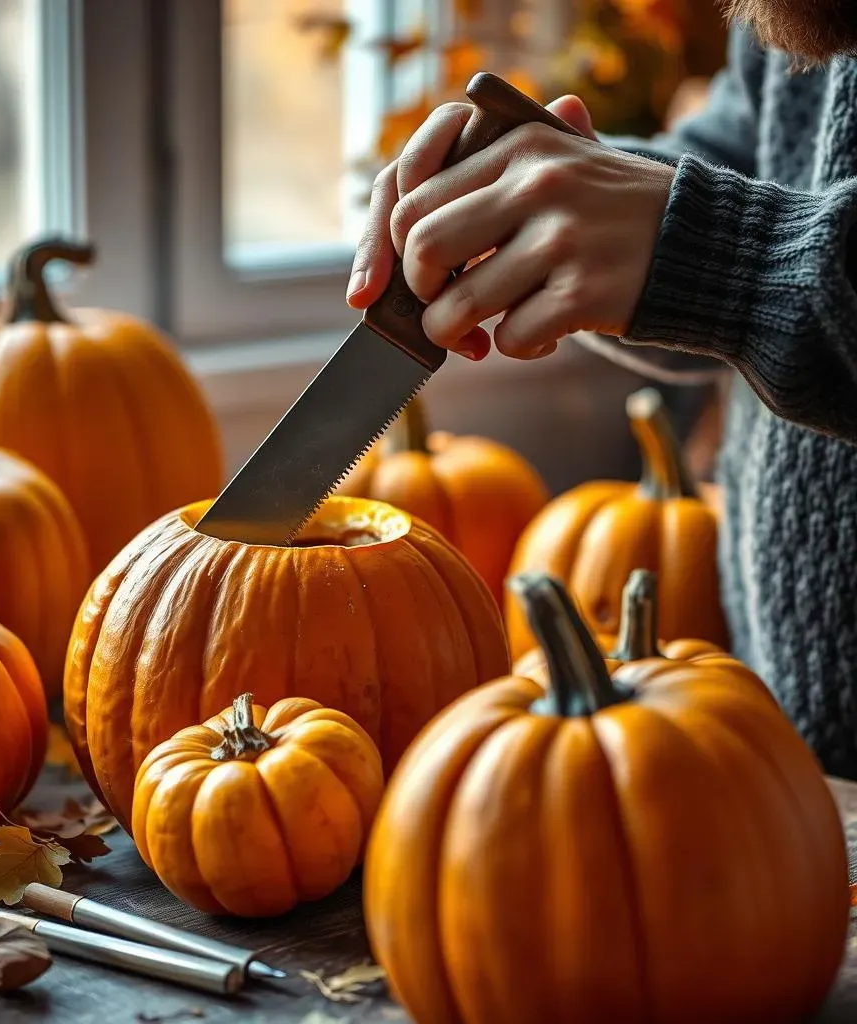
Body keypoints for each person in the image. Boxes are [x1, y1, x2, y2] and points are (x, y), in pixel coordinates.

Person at [346, 0, 857, 779]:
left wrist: (721, 257)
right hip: (789, 776)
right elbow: (753, 160)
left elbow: (740, 233)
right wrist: (546, 189)